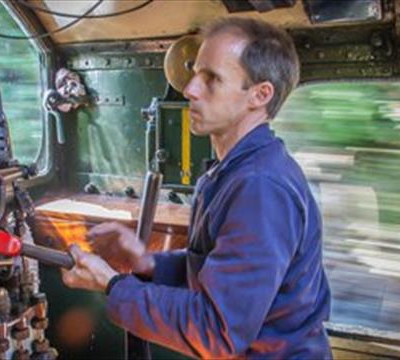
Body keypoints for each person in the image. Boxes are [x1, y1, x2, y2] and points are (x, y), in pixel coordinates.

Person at [61, 17, 332, 359]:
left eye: (212, 79)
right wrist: (147, 264)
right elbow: (217, 270)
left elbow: (216, 330)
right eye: (195, 74)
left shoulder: (260, 187)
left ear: (260, 95)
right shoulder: (233, 171)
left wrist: (112, 285)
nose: (189, 89)